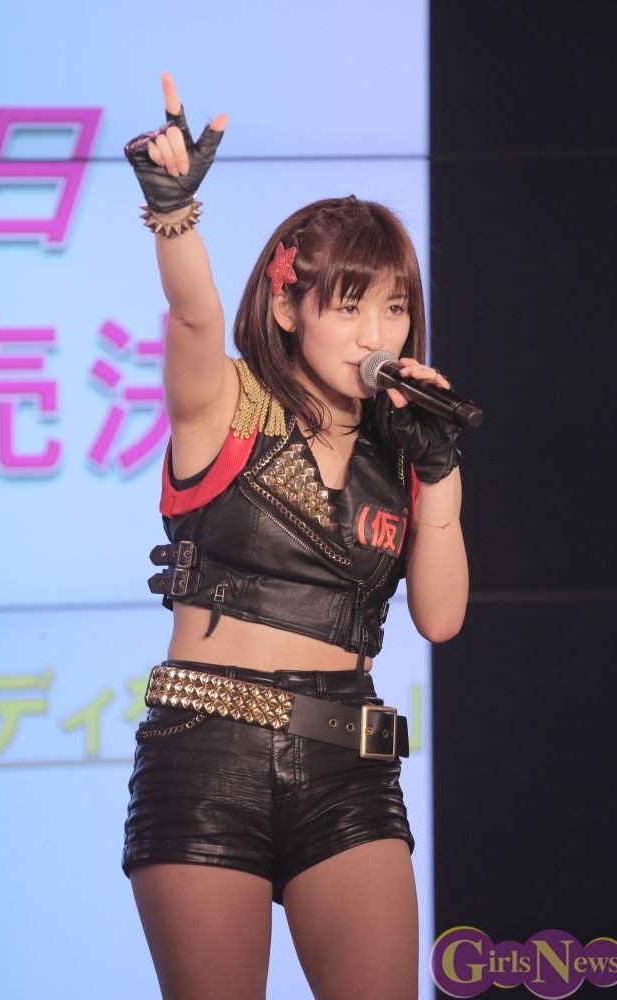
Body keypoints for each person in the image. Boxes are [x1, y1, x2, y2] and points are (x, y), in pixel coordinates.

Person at [121, 72, 469, 1000]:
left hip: (350, 766)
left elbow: (439, 619)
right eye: (348, 307)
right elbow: (193, 315)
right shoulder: (227, 402)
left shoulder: (405, 449)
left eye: (393, 308)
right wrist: (175, 213)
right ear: (288, 307)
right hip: (207, 752)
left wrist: (438, 471)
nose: (374, 333)